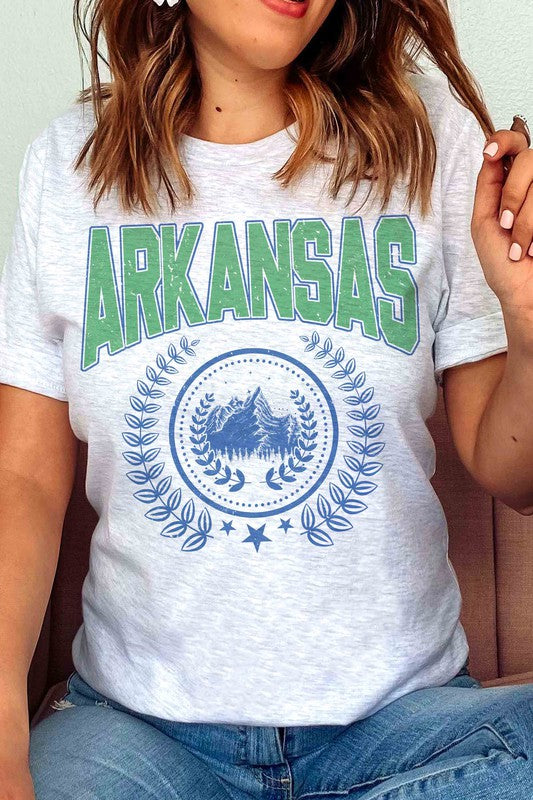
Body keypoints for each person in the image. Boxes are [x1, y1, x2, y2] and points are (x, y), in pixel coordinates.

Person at [1, 0, 533, 797]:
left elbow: (511, 474)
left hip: (401, 733)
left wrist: (527, 325)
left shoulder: (434, 141)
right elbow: (25, 480)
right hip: (138, 735)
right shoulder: (66, 167)